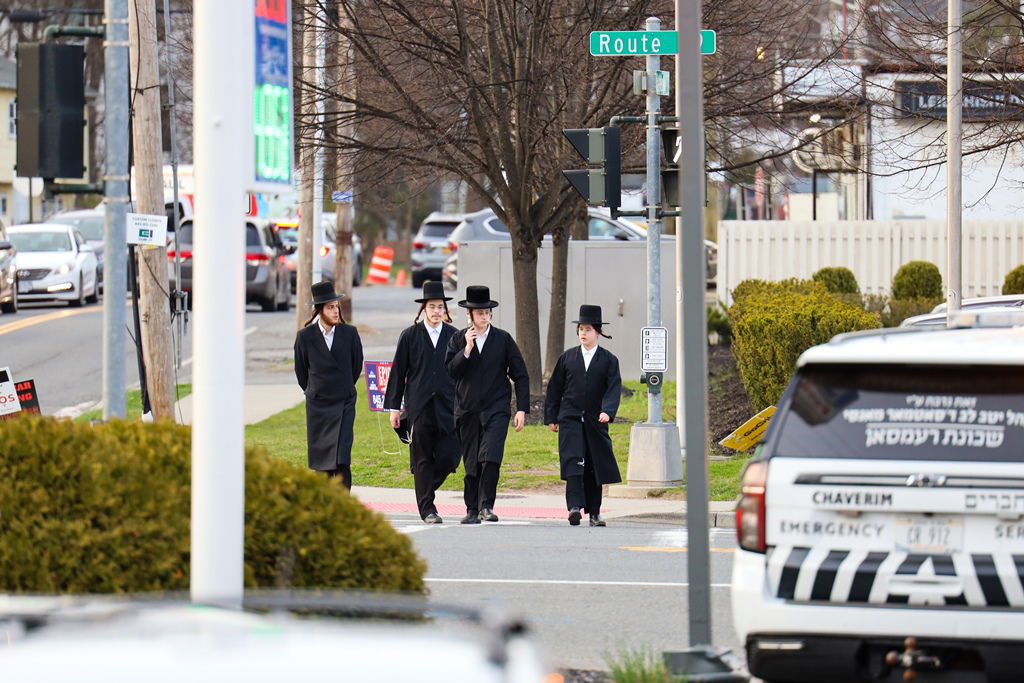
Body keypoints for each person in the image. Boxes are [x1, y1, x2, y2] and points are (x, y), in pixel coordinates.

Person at [445, 285, 529, 524]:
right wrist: (467, 349)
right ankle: (472, 509)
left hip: (496, 410)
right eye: (479, 312)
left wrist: (521, 408)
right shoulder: (457, 339)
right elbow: (451, 371)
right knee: (472, 463)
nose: (483, 316)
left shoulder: (503, 339)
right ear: (469, 315)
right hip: (467, 410)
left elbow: (520, 375)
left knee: (490, 457)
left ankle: (486, 506)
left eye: (487, 312)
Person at [384, 281, 461, 524]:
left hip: (448, 405)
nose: (437, 311)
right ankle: (427, 508)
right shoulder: (410, 335)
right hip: (419, 406)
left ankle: (425, 487)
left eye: (440, 307)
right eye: (432, 307)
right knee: (423, 458)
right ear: (424, 309)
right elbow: (398, 372)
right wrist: (394, 408)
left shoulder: (454, 335)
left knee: (450, 457)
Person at [544, 304, 622, 527]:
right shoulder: (568, 358)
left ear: (597, 331)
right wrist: (551, 417)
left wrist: (607, 411)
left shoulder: (608, 360)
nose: (583, 333)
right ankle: (574, 507)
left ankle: (595, 513)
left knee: (593, 465)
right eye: (580, 329)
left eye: (587, 329)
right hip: (569, 418)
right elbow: (555, 388)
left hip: (595, 421)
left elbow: (613, 388)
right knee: (573, 462)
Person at [293, 280, 364, 489]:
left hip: (344, 403)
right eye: (330, 307)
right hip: (318, 407)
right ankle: (322, 510)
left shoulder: (349, 333)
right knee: (322, 464)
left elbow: (355, 366)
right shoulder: (304, 337)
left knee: (342, 459)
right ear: (319, 310)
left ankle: (343, 509)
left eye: (337, 306)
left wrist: (343, 389)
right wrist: (316, 391)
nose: (335, 311)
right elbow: (301, 373)